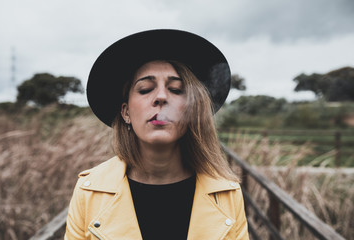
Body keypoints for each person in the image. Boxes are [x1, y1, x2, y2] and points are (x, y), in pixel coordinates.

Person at [64, 29, 249, 240]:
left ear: (191, 109)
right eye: (145, 89)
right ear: (126, 112)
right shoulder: (89, 192)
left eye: (176, 89)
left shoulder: (227, 193)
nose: (161, 97)